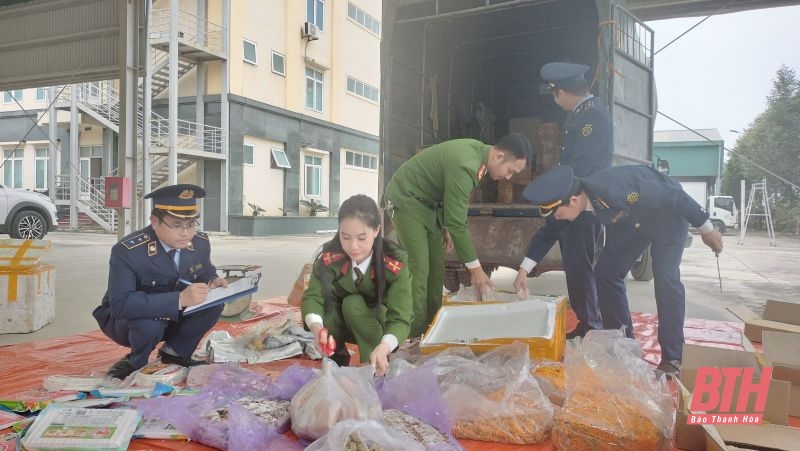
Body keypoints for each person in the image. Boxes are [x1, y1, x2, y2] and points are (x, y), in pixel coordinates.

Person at [521, 165, 724, 376]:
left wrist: (706, 228)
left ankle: (674, 357)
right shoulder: (578, 203)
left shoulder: (614, 188)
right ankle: (622, 344)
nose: (559, 218)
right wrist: (524, 270)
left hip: (667, 218)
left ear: (572, 200)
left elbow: (673, 194)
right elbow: (550, 230)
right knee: (607, 272)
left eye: (558, 213)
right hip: (632, 225)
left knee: (666, 277)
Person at [384, 133, 532, 337]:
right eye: (509, 171)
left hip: (428, 205)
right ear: (499, 156)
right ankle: (414, 333)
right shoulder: (466, 163)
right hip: (407, 200)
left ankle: (433, 327)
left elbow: (453, 201)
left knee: (436, 269)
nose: (507, 177)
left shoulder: (479, 156)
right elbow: (457, 223)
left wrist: (447, 226)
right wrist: (476, 270)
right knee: (419, 269)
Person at [513, 62, 613, 339]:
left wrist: (565, 200)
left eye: (555, 95)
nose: (557, 102)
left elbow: (581, 166)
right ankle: (586, 323)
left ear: (561, 92)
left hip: (580, 201)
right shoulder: (583, 115)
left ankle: (591, 327)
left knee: (580, 268)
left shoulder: (592, 117)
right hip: (571, 197)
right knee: (575, 267)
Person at [92, 184, 228, 380]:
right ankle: (135, 361)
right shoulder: (128, 251)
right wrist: (179, 299)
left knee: (213, 305)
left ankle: (174, 354)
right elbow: (121, 304)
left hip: (174, 315)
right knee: (149, 323)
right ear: (155, 222)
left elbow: (205, 271)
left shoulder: (200, 243)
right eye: (176, 225)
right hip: (127, 320)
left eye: (190, 224)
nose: (185, 233)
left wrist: (212, 281)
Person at [302, 194, 412, 376]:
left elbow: (401, 317)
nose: (353, 246)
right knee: (328, 311)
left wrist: (384, 347)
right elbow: (313, 296)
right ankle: (336, 357)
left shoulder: (394, 263)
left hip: (379, 325)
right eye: (345, 237)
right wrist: (317, 329)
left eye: (362, 238)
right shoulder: (331, 257)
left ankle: (374, 364)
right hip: (344, 324)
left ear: (376, 231)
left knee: (353, 304)